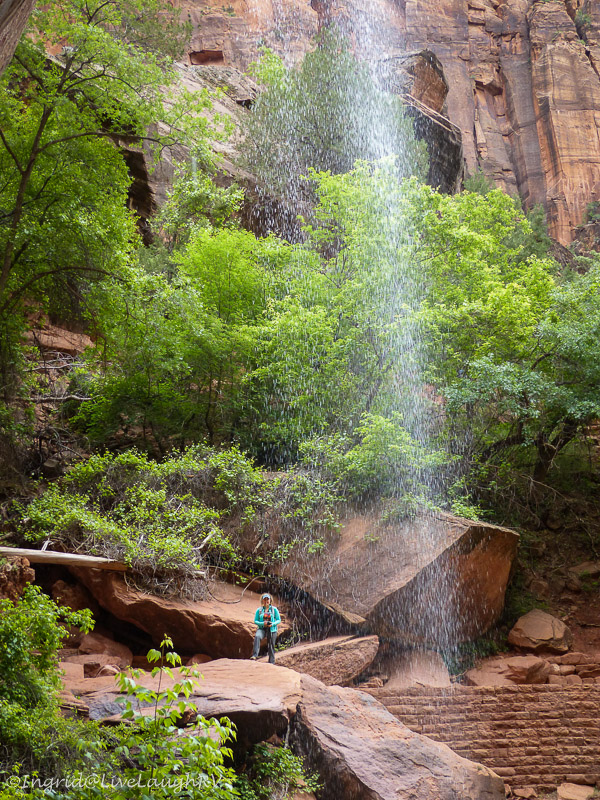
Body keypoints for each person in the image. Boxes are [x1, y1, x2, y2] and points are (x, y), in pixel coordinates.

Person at [251, 593, 281, 664]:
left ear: (270, 600)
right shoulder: (259, 610)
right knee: (257, 637)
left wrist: (272, 624)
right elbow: (255, 621)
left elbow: (278, 619)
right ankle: (255, 655)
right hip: (262, 629)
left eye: (267, 599)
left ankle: (271, 662)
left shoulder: (274, 610)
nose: (266, 601)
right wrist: (262, 623)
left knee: (271, 645)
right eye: (264, 599)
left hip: (272, 629)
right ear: (262, 601)